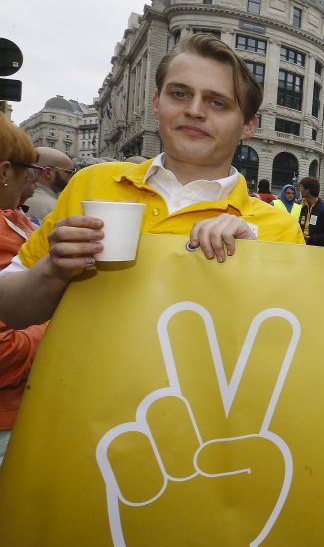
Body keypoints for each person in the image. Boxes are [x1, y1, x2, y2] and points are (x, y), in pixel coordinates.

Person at [0, 34, 304, 331]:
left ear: (248, 125)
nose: (195, 111)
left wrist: (253, 262)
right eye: (180, 94)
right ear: (157, 103)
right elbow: (11, 311)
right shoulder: (91, 184)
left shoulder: (280, 230)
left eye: (218, 103)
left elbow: (293, 339)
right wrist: (52, 270)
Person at [0, 116, 48, 465]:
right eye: (27, 170)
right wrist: (58, 326)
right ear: (4, 172)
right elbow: (6, 353)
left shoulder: (12, 218)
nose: (31, 182)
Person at [24, 147, 74, 224]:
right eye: (69, 172)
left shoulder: (19, 197)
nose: (72, 177)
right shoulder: (54, 208)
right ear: (48, 172)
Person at [298, 176, 324, 247]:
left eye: (302, 187)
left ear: (308, 190)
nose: (300, 189)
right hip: (302, 246)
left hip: (317, 250)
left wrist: (310, 238)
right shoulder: (304, 207)